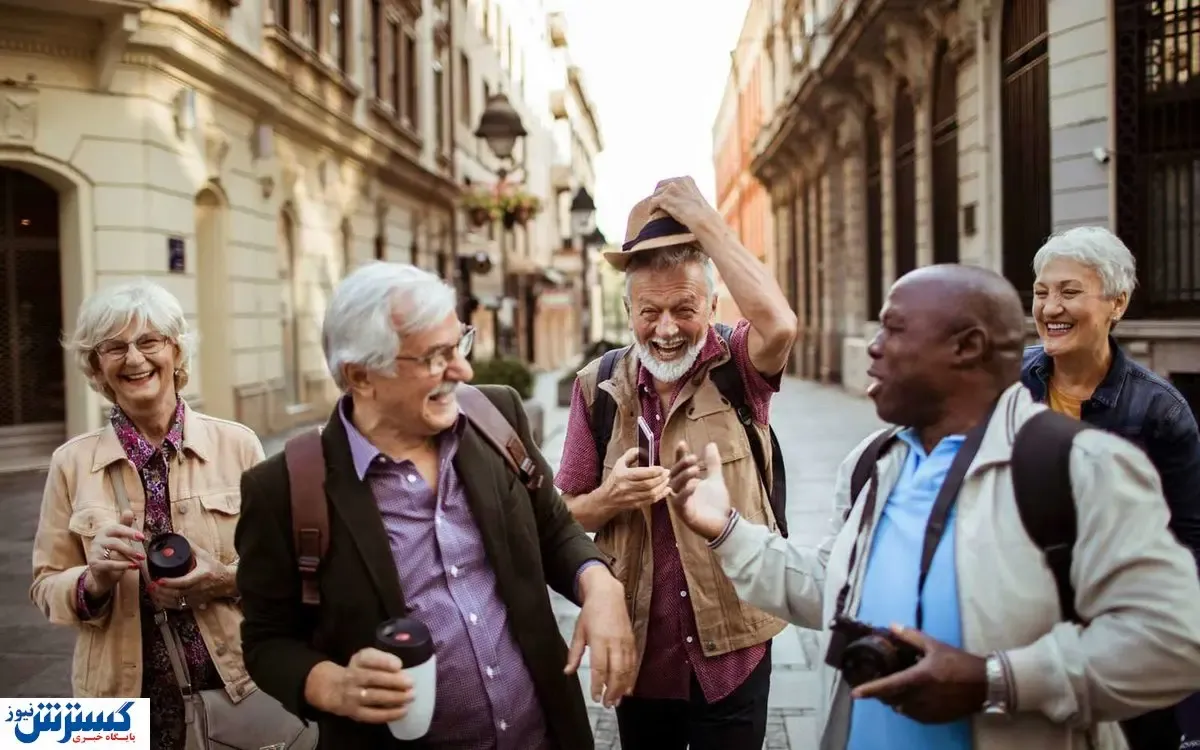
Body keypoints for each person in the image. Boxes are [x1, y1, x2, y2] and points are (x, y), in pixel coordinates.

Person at [667, 264, 1200, 750]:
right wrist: (726, 530)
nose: (873, 347)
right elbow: (831, 589)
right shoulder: (872, 464)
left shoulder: (1079, 465)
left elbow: (1174, 642)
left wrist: (995, 679)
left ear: (966, 347)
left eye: (894, 329)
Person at [235, 262, 636, 749]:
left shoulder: (496, 416)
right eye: (435, 357)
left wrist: (600, 584)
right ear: (361, 376)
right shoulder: (283, 488)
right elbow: (266, 641)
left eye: (459, 344)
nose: (463, 371)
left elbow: (551, 526)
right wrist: (331, 685)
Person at [555, 176, 798, 749]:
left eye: (684, 309)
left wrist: (708, 225)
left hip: (733, 647)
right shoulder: (596, 387)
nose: (665, 330)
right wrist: (610, 497)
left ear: (712, 304)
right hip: (640, 654)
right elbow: (560, 517)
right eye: (649, 312)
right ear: (627, 310)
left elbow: (781, 324)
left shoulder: (737, 365)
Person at [30, 280, 266, 749]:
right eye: (113, 347)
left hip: (233, 686)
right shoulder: (71, 463)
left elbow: (287, 571)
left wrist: (223, 578)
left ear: (176, 352)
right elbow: (44, 585)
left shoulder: (237, 446)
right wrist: (92, 580)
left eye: (149, 341)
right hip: (109, 705)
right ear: (97, 367)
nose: (134, 359)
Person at [1023, 226, 1200, 748]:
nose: (1051, 307)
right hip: (1024, 630)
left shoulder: (1160, 411)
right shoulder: (1010, 388)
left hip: (1118, 641)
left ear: (1117, 303)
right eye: (1041, 292)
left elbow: (1189, 541)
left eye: (1070, 292)